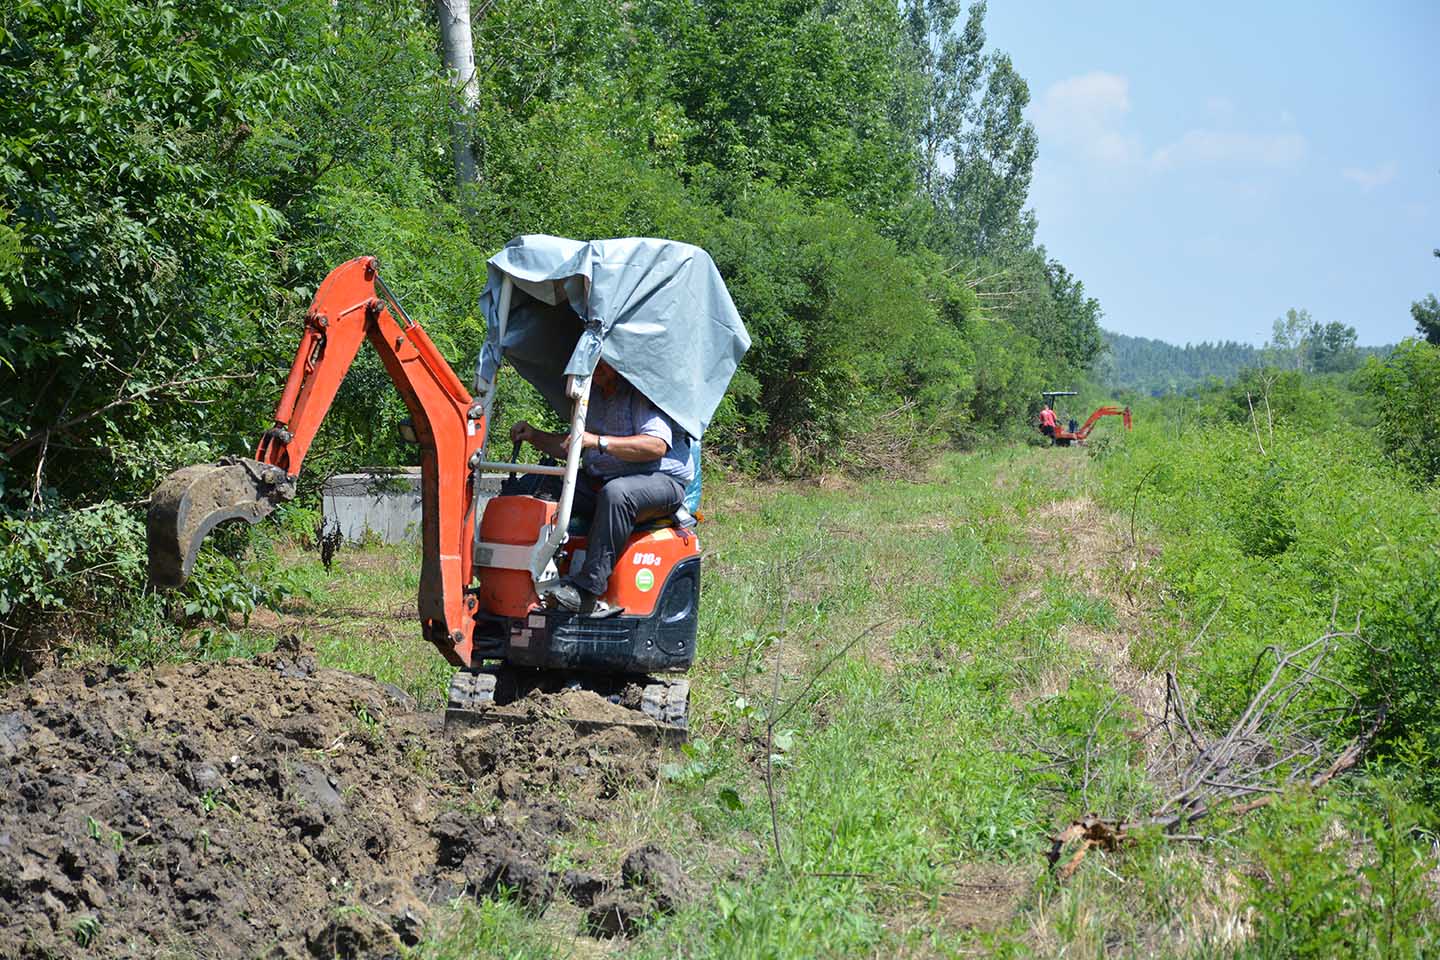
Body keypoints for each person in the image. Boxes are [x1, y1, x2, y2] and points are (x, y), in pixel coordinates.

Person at [509, 360, 692, 617]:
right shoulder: (591, 396)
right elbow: (574, 444)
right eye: (595, 363)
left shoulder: (640, 392)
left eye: (605, 363)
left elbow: (656, 445)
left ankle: (586, 591)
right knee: (542, 483)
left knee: (617, 494)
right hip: (605, 480)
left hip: (659, 483)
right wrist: (534, 435)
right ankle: (523, 579)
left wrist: (599, 442)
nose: (598, 369)